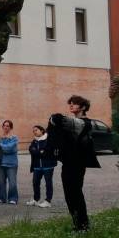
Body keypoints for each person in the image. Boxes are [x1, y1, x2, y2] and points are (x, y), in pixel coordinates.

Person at [47, 95, 101, 231]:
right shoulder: (73, 122)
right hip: (68, 163)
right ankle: (77, 223)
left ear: (83, 107)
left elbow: (63, 120)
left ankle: (83, 225)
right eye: (70, 103)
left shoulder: (85, 123)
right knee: (69, 195)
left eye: (75, 103)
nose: (71, 105)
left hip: (77, 164)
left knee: (75, 193)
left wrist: (55, 118)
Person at [27, 124, 56, 208]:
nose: (34, 132)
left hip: (48, 165)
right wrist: (40, 152)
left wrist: (38, 151)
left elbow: (47, 151)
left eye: (36, 130)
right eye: (33, 131)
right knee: (35, 182)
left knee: (48, 183)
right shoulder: (34, 141)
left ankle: (48, 201)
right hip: (37, 166)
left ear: (42, 130)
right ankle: (36, 199)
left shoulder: (48, 140)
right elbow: (31, 149)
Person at [0, 120, 19, 205]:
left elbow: (9, 149)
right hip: (1, 163)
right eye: (4, 126)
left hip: (12, 164)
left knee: (12, 183)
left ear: (11, 127)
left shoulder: (14, 138)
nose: (6, 127)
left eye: (8, 126)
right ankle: (1, 198)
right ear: (2, 127)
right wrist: (4, 148)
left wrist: (1, 147)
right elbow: (2, 149)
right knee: (1, 182)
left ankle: (13, 198)